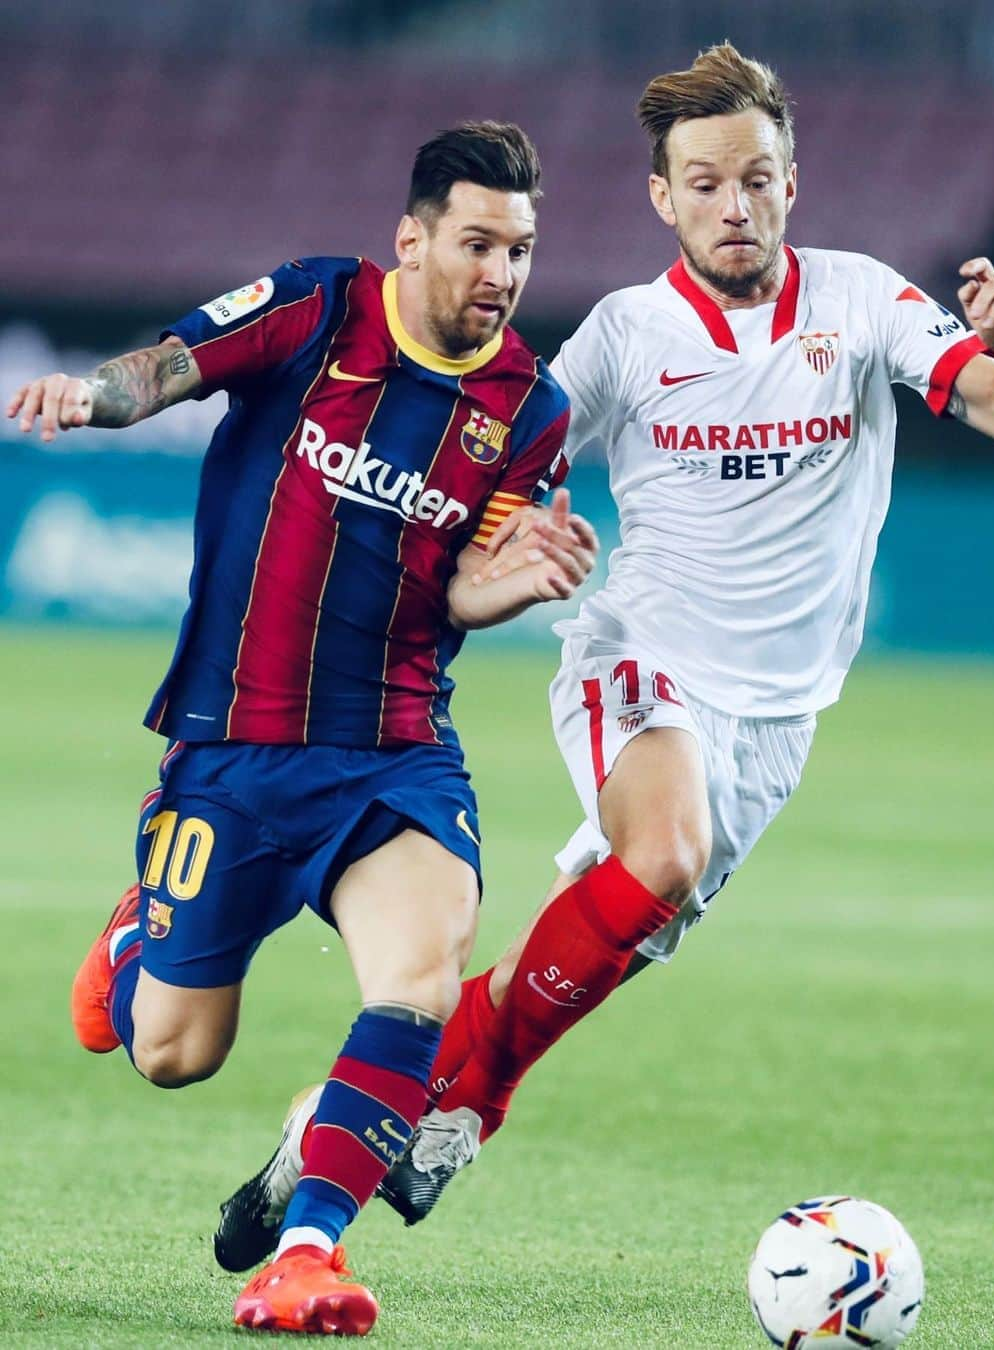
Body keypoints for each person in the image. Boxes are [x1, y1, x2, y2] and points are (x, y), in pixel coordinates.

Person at [214, 40, 994, 1257]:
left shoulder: (864, 303)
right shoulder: (623, 337)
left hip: (778, 719)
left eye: (759, 177)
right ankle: (476, 1106)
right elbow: (499, 479)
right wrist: (498, 554)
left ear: (793, 182)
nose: (737, 204)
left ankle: (326, 1136)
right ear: (663, 196)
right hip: (642, 658)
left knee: (591, 944)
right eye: (707, 182)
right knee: (666, 852)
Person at [7, 121, 599, 1337]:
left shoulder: (530, 408)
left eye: (521, 250)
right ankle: (136, 945)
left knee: (420, 982)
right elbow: (165, 368)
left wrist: (522, 574)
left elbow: (462, 591)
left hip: (393, 753)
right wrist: (93, 397)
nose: (501, 272)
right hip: (232, 750)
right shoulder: (322, 308)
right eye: (479, 242)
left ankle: (305, 1254)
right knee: (174, 1053)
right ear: (413, 239)